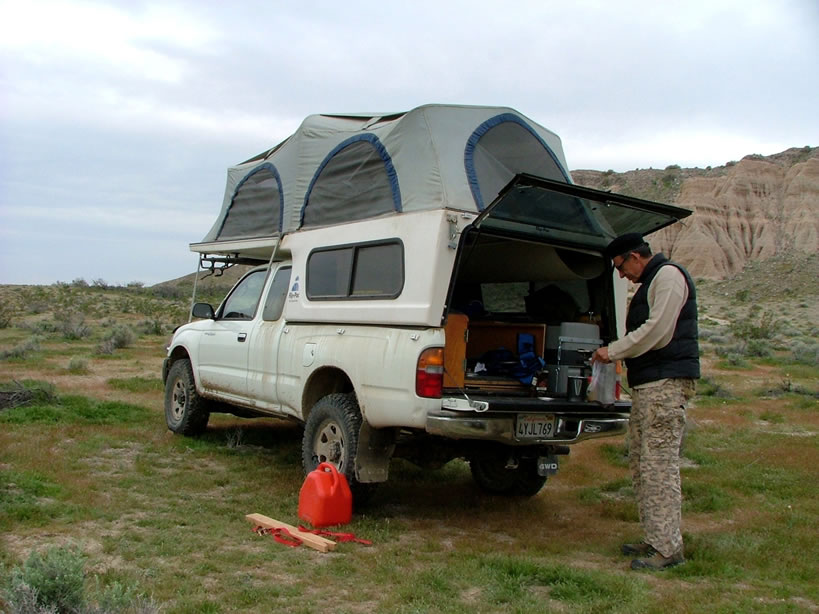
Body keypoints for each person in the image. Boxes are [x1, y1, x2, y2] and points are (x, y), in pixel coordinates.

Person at [591, 232, 700, 571]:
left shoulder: (668, 277)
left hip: (665, 385)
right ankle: (656, 537)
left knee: (658, 465)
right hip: (649, 384)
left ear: (635, 256)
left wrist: (615, 351)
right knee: (642, 461)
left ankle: (668, 549)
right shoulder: (651, 282)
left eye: (620, 266)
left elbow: (658, 331)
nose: (621, 274)